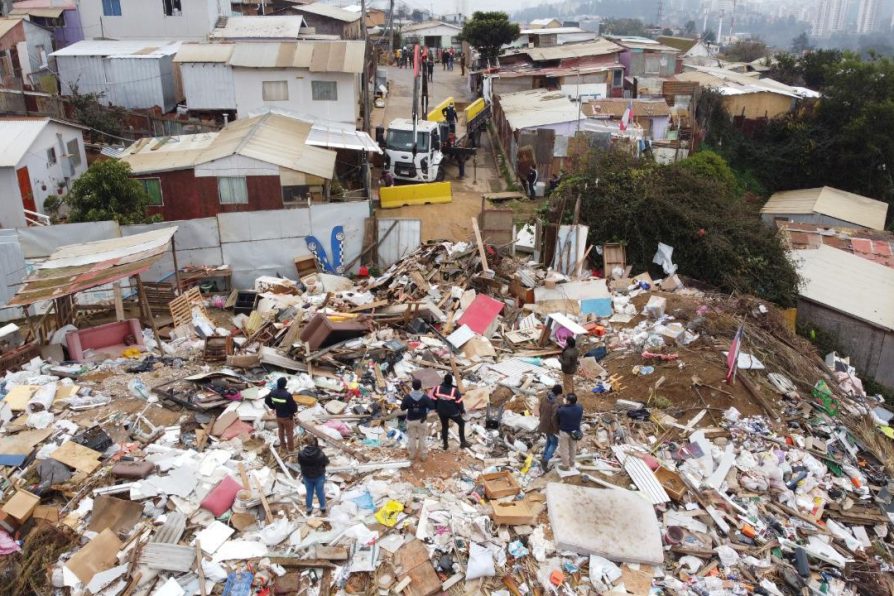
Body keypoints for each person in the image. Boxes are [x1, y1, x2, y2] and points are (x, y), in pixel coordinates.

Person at [401, 379, 436, 461]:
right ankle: (423, 456)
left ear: (412, 386)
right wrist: (425, 410)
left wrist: (410, 406)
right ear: (420, 386)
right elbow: (432, 407)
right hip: (422, 420)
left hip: (411, 420)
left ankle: (411, 455)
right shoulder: (425, 397)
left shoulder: (407, 397)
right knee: (422, 438)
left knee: (411, 438)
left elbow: (402, 408)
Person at [433, 373, 469, 450]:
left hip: (442, 412)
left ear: (444, 380)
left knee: (445, 427)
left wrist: (436, 408)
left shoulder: (438, 388)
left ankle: (445, 445)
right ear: (451, 381)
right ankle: (463, 442)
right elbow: (459, 403)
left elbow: (434, 399)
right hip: (453, 412)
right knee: (461, 423)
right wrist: (462, 411)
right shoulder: (454, 391)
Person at [297, 436, 329, 515]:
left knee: (309, 492)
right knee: (320, 492)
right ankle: (323, 508)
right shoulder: (320, 453)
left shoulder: (301, 453)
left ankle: (309, 509)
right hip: (319, 476)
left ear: (306, 443)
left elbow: (300, 463)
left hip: (307, 476)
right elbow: (327, 462)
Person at [264, 377, 297, 451]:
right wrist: (293, 412)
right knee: (289, 433)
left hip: (278, 417)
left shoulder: (272, 392)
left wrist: (273, 407)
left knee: (281, 431)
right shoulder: (287, 395)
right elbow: (293, 407)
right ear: (285, 385)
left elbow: (266, 400)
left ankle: (283, 447)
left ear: (278, 384)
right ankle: (291, 449)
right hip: (287, 418)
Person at [555, 393, 583, 470]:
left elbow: (557, 418)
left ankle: (565, 465)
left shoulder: (562, 410)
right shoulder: (580, 408)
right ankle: (572, 463)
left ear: (568, 401)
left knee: (564, 449)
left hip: (564, 432)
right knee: (573, 448)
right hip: (575, 432)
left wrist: (563, 405)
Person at [539, 384, 562, 469]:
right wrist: (556, 429)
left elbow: (540, 409)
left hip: (543, 423)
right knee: (554, 443)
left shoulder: (544, 398)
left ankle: (544, 456)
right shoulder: (555, 403)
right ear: (558, 393)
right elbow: (554, 417)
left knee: (549, 440)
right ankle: (545, 461)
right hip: (551, 426)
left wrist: (541, 419)